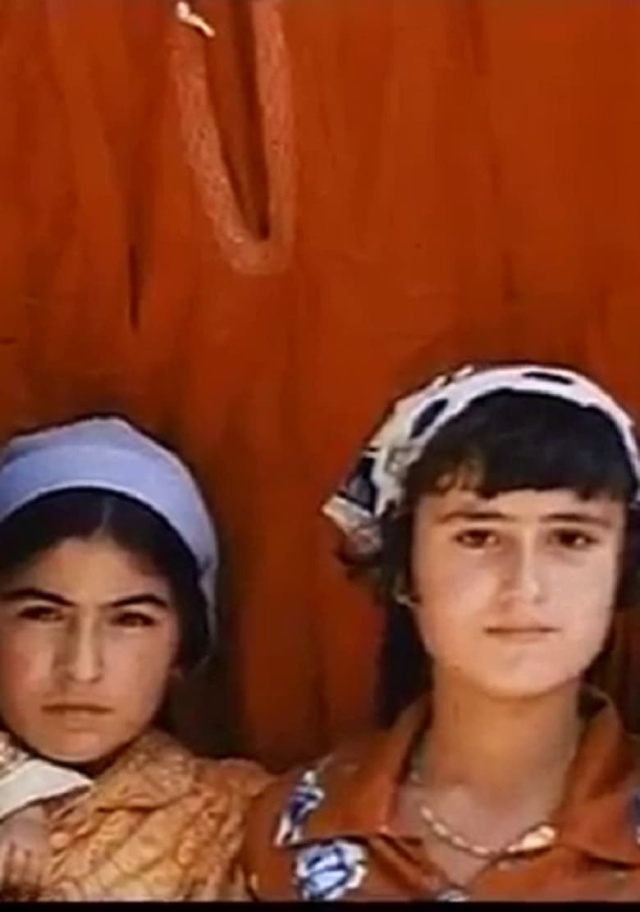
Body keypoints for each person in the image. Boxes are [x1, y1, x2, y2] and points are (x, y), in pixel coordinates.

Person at [241, 362, 640, 900]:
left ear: (620, 567)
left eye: (571, 539)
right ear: (404, 568)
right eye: (478, 537)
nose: (524, 587)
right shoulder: (293, 827)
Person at [0, 417, 271, 900]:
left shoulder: (238, 823)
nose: (82, 668)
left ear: (183, 642)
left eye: (130, 620)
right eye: (42, 614)